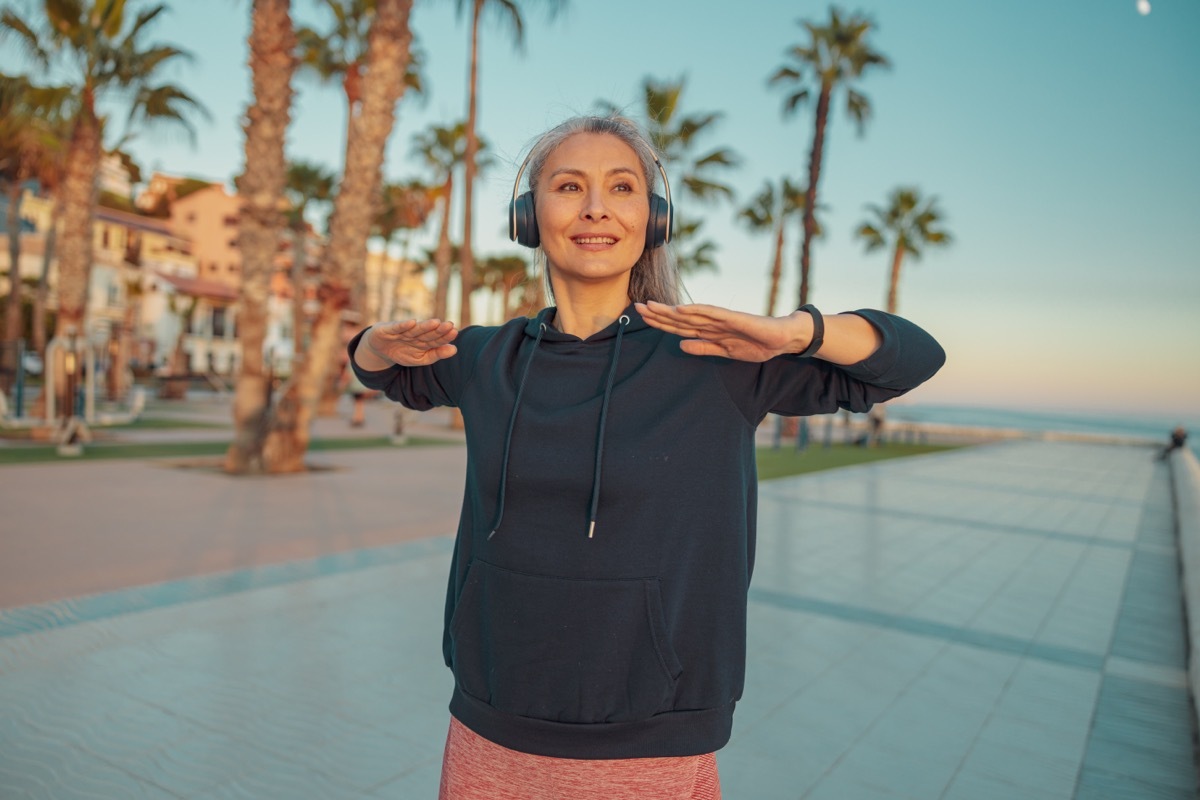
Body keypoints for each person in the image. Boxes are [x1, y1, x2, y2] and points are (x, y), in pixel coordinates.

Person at [349, 115, 945, 800]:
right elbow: (381, 371)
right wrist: (373, 341)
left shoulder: (715, 356)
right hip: (491, 732)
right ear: (528, 216)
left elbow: (913, 358)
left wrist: (791, 333)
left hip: (652, 740)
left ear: (652, 219)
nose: (596, 207)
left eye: (622, 187)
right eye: (569, 185)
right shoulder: (489, 357)